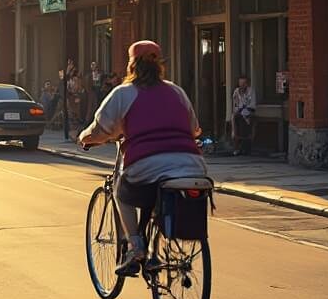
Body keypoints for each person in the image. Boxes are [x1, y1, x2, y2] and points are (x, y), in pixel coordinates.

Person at [78, 40, 206, 276]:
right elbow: (194, 129)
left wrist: (85, 138)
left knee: (121, 190)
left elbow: (101, 129)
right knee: (160, 193)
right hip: (191, 163)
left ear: (132, 65)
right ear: (159, 65)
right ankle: (159, 240)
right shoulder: (176, 91)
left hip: (146, 163)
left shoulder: (124, 92)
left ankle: (136, 248)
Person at [231, 74, 257, 156]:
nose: (242, 85)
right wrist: (238, 109)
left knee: (249, 120)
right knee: (234, 118)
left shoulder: (251, 91)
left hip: (249, 112)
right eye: (240, 83)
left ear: (247, 84)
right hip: (239, 112)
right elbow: (235, 105)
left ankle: (247, 144)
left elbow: (252, 105)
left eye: (244, 83)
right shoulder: (236, 91)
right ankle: (235, 138)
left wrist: (246, 109)